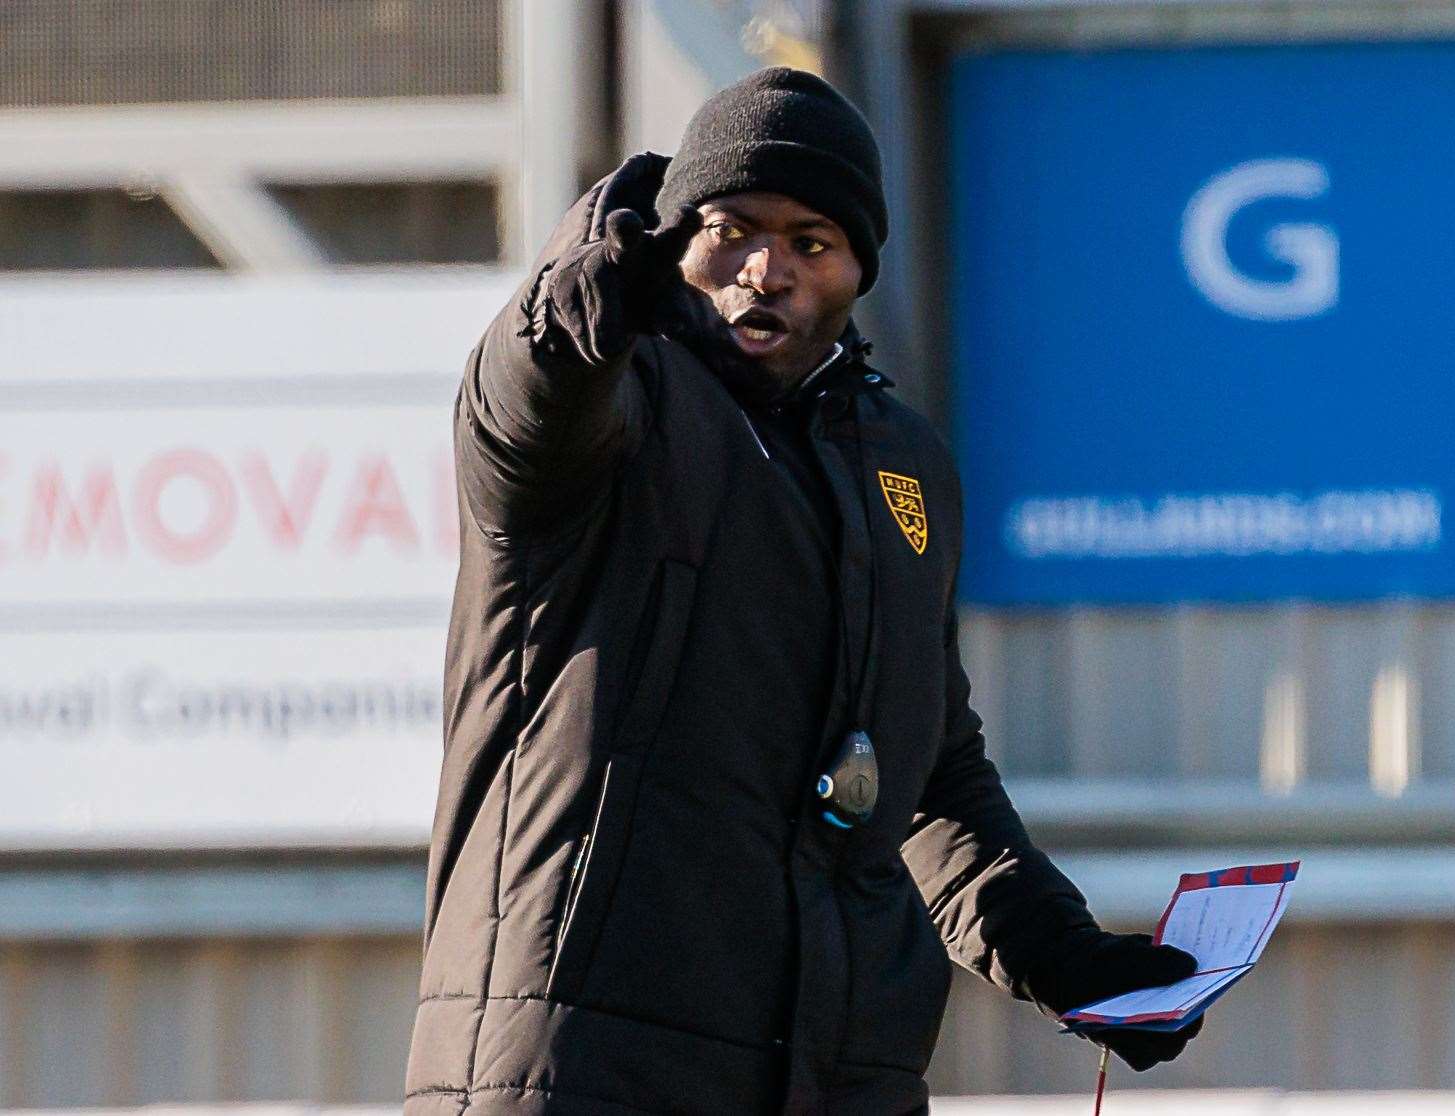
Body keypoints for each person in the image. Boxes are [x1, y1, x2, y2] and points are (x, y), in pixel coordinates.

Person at [405, 67, 1201, 1116]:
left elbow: (924, 775)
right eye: (730, 231)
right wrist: (579, 294)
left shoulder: (902, 468)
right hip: (583, 1069)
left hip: (832, 1080)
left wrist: (1064, 958)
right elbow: (526, 399)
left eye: (808, 243)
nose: (763, 270)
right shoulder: (614, 404)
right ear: (673, 242)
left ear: (855, 272)